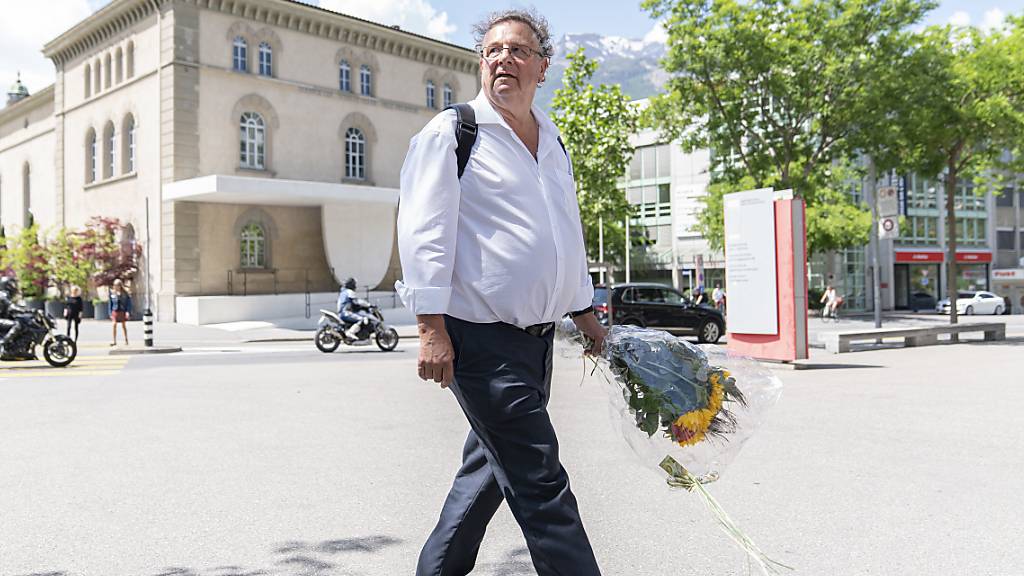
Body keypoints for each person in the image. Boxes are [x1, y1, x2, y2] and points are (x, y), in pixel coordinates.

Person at [396, 9, 605, 576]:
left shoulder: (553, 141)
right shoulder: (454, 131)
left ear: (542, 66)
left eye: (515, 51)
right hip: (481, 341)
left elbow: (566, 235)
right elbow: (423, 231)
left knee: (486, 475)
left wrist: (587, 318)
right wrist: (430, 328)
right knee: (542, 484)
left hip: (535, 345)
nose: (501, 60)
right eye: (491, 51)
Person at [0, 276, 29, 358]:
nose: (14, 286)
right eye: (12, 284)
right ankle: (3, 343)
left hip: (3, 319)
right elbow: (12, 307)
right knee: (17, 325)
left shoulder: (5, 295)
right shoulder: (3, 295)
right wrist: (28, 310)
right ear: (7, 285)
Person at [109, 278, 132, 346]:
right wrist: (110, 313)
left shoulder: (125, 294)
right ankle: (114, 341)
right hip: (115, 311)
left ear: (120, 286)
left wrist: (128, 311)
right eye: (114, 285)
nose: (115, 286)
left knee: (123, 325)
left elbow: (129, 303)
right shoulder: (112, 293)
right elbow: (110, 304)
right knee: (114, 325)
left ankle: (126, 339)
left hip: (122, 311)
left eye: (117, 285)